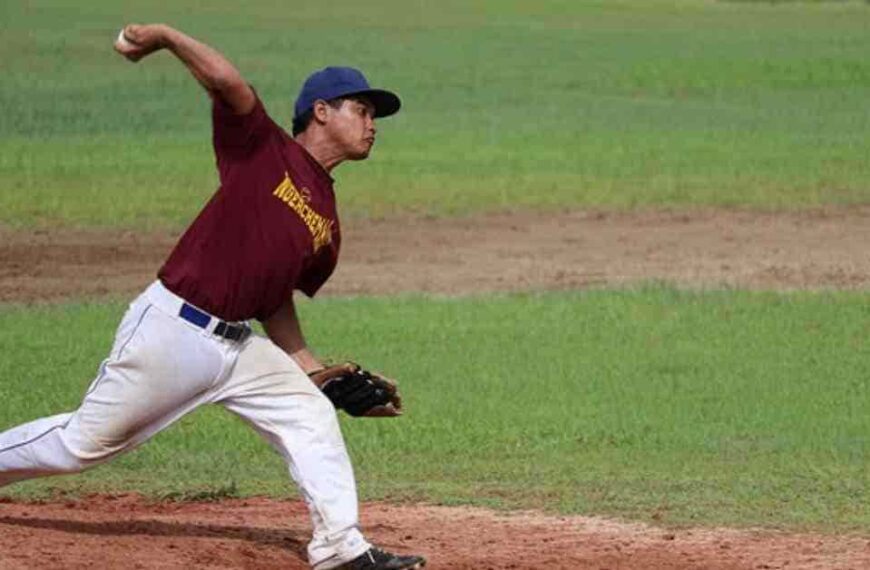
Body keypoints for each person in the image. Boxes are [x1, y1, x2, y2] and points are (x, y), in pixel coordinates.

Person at [0, 23, 425, 570]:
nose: (372, 125)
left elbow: (273, 298)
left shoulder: (327, 219)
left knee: (308, 413)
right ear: (321, 111)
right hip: (174, 330)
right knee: (82, 445)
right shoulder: (261, 148)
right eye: (362, 110)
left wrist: (312, 369)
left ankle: (341, 548)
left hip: (237, 349)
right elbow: (227, 82)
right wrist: (164, 37)